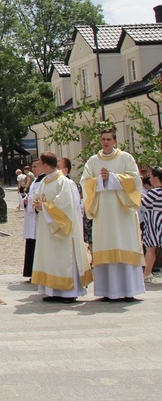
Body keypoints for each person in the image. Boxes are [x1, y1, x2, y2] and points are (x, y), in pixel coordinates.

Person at [81, 127, 145, 301]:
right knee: (105, 246)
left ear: (115, 141)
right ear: (100, 141)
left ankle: (129, 290)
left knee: (125, 245)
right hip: (103, 213)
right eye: (103, 139)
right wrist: (100, 180)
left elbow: (135, 180)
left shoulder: (126, 158)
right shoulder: (93, 161)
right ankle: (107, 291)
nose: (106, 142)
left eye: (109, 139)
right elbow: (85, 182)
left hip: (122, 211)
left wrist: (113, 178)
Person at [31, 153, 93, 303]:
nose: (38, 166)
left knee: (64, 258)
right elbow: (38, 196)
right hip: (48, 227)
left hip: (62, 228)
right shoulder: (45, 181)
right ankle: (53, 291)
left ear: (46, 165)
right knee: (51, 258)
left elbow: (66, 205)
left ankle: (69, 292)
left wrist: (44, 207)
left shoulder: (63, 182)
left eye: (40, 164)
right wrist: (37, 203)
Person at [22, 160, 45, 279]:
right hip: (31, 216)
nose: (33, 169)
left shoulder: (44, 180)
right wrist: (26, 200)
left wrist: (32, 202)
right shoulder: (36, 180)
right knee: (31, 243)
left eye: (35, 166)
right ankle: (30, 272)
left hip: (37, 217)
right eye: (32, 167)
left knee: (36, 244)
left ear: (42, 166)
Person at [140, 167, 162, 282]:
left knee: (150, 250)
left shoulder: (155, 192)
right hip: (157, 222)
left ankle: (147, 273)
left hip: (154, 224)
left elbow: (143, 203)